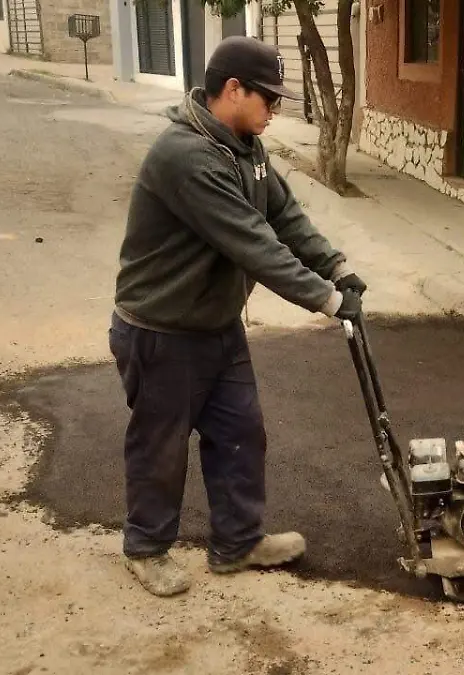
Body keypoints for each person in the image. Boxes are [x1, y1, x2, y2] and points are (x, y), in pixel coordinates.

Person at [108, 36, 365, 597]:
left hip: (215, 326)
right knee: (162, 443)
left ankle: (237, 542)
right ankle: (146, 547)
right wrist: (325, 300)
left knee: (241, 432)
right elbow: (253, 243)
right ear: (233, 90)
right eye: (268, 99)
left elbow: (284, 215)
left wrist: (337, 267)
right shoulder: (188, 156)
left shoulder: (245, 146)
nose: (275, 110)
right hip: (161, 331)